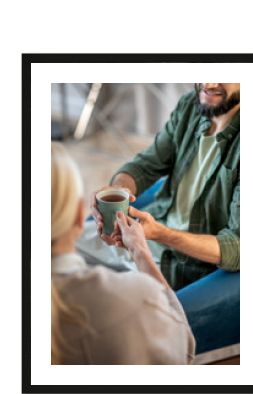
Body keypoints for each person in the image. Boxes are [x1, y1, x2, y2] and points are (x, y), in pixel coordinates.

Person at [78, 83, 240, 292]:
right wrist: (119, 190)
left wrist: (161, 234)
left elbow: (237, 246)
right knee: (57, 250)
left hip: (183, 268)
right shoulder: (190, 105)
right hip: (146, 234)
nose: (208, 84)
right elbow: (146, 165)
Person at [51, 142, 195, 365]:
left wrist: (119, 189)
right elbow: (183, 351)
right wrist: (140, 251)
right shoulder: (139, 298)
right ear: (79, 215)